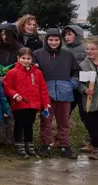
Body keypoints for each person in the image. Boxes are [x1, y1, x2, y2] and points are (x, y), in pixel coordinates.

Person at [33, 29, 79, 159]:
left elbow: (76, 72)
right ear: (46, 40)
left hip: (65, 95)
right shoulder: (37, 54)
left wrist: (71, 85)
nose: (54, 42)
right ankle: (46, 144)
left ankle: (64, 145)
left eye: (56, 40)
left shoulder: (68, 55)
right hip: (46, 96)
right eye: (51, 40)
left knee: (64, 121)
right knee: (46, 120)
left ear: (60, 40)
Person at [3, 47, 50, 159]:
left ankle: (29, 144)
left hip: (33, 104)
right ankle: (19, 145)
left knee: (29, 125)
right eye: (23, 58)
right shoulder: (12, 72)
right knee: (19, 125)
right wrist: (15, 95)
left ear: (32, 59)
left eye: (28, 58)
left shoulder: (37, 73)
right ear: (18, 58)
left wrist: (46, 103)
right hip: (19, 104)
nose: (26, 61)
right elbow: (7, 87)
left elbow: (43, 88)